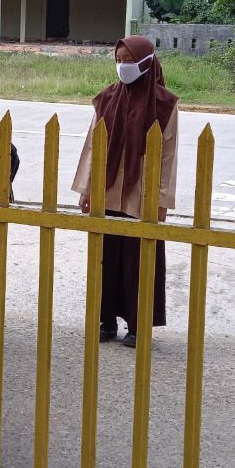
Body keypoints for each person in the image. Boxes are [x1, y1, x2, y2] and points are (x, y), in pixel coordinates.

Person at [72, 35, 178, 347]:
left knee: (139, 260)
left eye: (129, 61)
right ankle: (106, 321)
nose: (123, 67)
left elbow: (168, 156)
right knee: (105, 257)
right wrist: (86, 189)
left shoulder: (164, 104)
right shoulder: (106, 98)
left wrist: (160, 201)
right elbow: (93, 145)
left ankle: (138, 325)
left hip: (141, 195)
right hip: (107, 190)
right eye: (118, 60)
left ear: (146, 63)